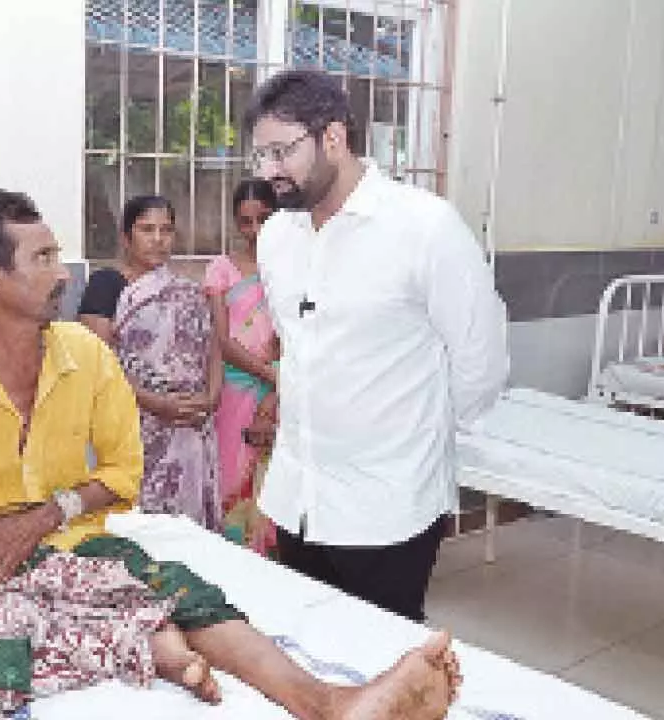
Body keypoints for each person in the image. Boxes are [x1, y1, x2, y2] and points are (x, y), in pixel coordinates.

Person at [0, 188, 462, 720]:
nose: (63, 273)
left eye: (57, 255)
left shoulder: (87, 357)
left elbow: (121, 474)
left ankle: (329, 703)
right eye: (41, 259)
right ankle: (130, 640)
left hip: (69, 535)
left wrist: (47, 515)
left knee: (183, 592)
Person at [244, 70, 510, 623]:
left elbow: (480, 364)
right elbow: (298, 351)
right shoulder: (276, 238)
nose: (269, 171)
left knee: (384, 673)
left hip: (388, 507)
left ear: (334, 137)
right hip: (299, 500)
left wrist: (413, 436)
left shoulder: (424, 228)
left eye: (282, 152)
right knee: (305, 654)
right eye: (260, 156)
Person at [78, 195, 223, 530]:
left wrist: (213, 395)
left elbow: (213, 343)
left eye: (166, 230)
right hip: (136, 422)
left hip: (192, 423)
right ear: (126, 237)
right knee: (143, 524)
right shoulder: (107, 285)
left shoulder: (185, 289)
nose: (158, 239)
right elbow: (101, 364)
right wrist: (157, 403)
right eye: (147, 229)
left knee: (192, 528)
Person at [204, 179, 282, 555]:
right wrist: (272, 377)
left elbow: (294, 335)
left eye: (264, 220)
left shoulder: (290, 270)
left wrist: (277, 391)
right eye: (246, 222)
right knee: (232, 482)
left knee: (274, 491)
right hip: (235, 393)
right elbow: (223, 342)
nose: (255, 231)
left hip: (282, 393)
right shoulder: (221, 269)